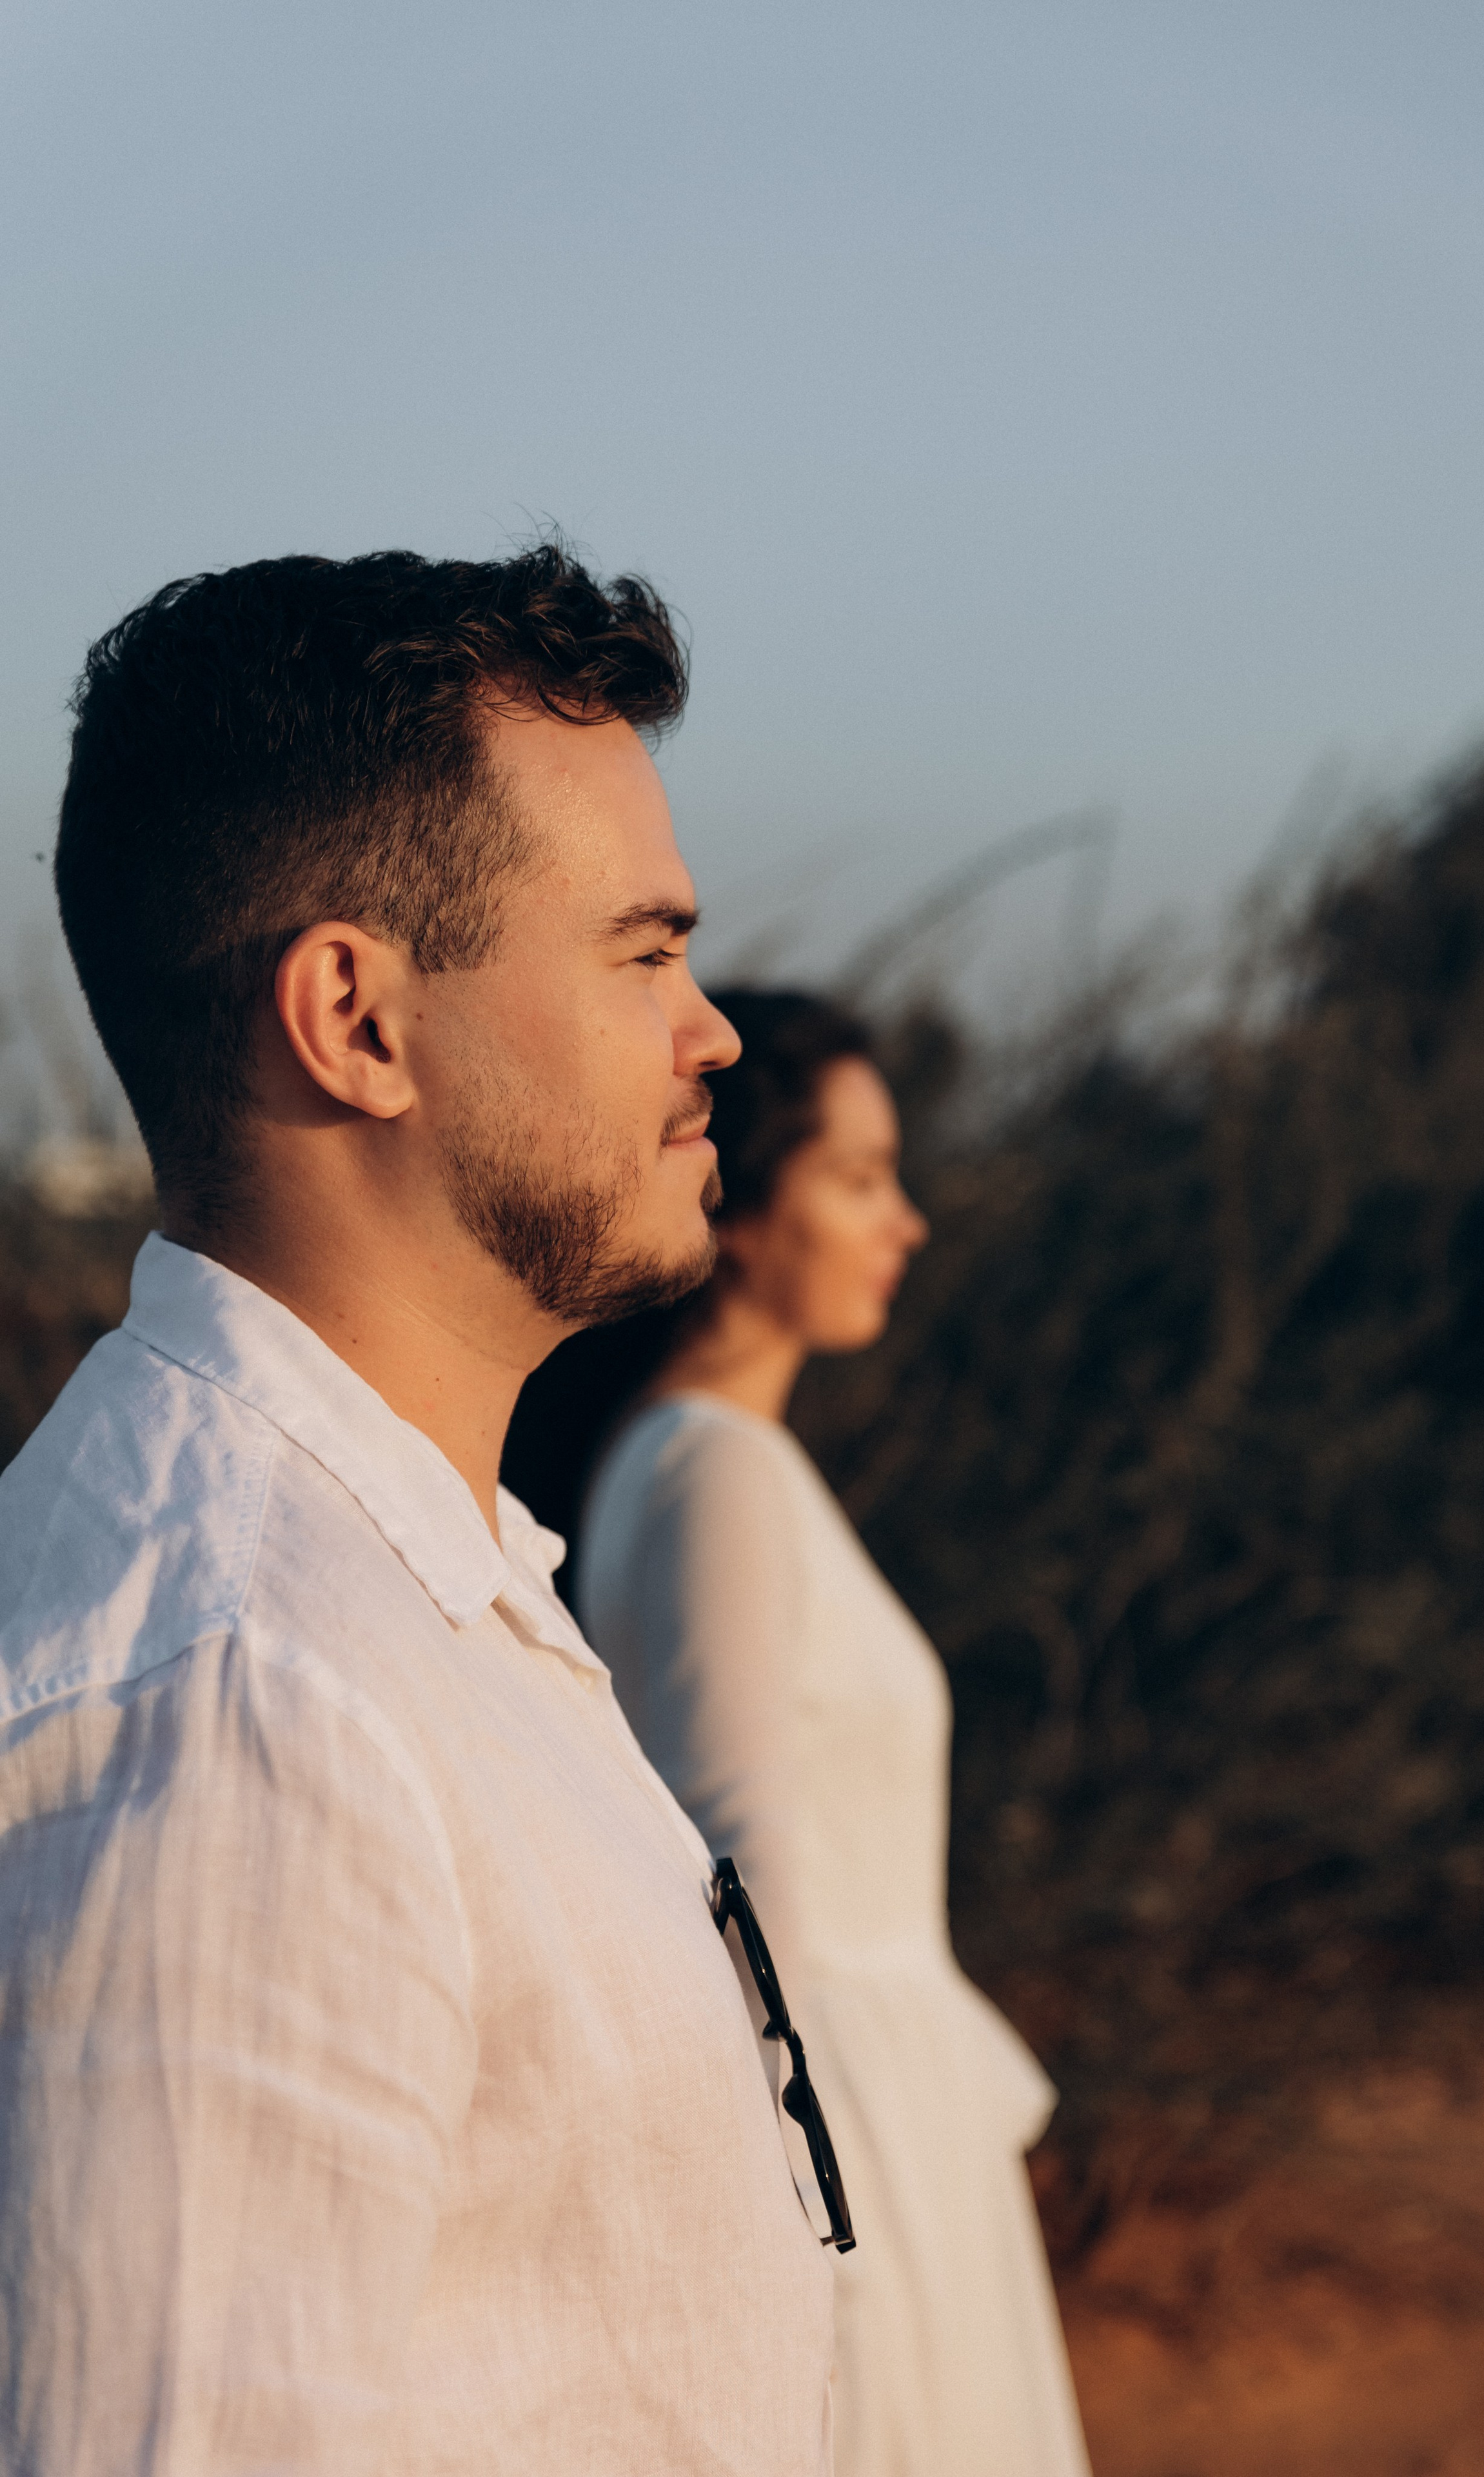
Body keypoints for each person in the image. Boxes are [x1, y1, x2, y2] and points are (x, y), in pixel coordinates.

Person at [0, 551, 837, 2474]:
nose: (712, 1033)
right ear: (357, 1022)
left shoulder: (399, 1592)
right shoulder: (243, 1706)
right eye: (643, 954)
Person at [513, 990, 1093, 2477]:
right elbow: (737, 1855)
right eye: (857, 1177)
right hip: (847, 2117)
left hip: (876, 2093)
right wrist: (808, 2223)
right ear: (742, 1206)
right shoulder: (711, 1469)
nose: (903, 1221)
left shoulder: (711, 1459)